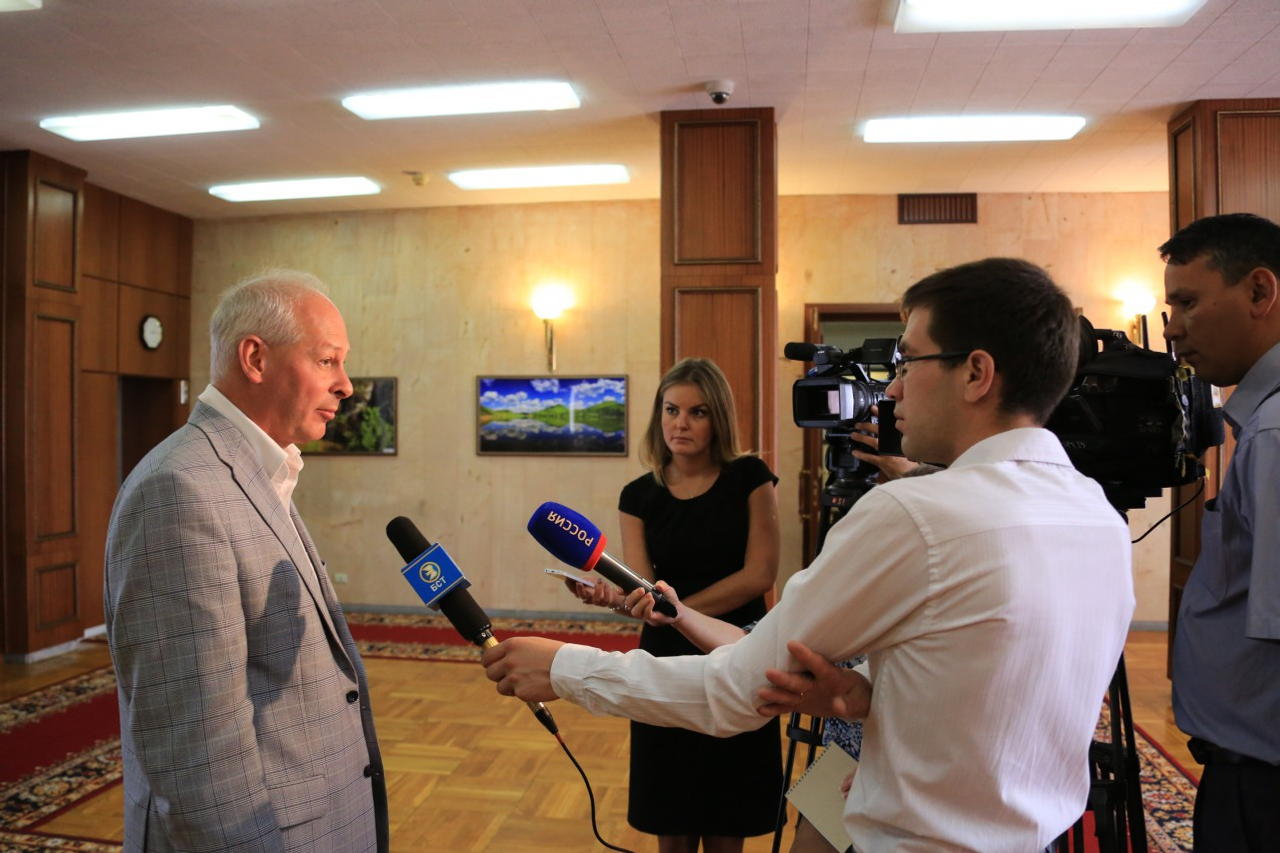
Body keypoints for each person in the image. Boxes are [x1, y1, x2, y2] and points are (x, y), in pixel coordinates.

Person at [483, 257, 1135, 853]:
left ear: (976, 373)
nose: (893, 390)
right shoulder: (1099, 518)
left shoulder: (917, 513)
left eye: (908, 361)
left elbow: (735, 690)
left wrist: (566, 667)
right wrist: (872, 695)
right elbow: (992, 683)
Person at [104, 269, 388, 853]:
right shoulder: (180, 490)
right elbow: (196, 753)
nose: (345, 385)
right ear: (255, 358)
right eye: (327, 361)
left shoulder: (259, 469)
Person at [568, 357, 782, 853]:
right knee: (673, 816)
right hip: (666, 659)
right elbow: (645, 592)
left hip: (738, 650)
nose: (680, 423)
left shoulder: (750, 477)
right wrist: (616, 599)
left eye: (696, 412)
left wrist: (677, 611)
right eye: (671, 410)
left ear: (717, 418)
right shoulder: (638, 495)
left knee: (729, 820)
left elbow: (759, 575)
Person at [1161, 212, 1280, 851]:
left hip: (1262, 782)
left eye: (1187, 302)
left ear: (1259, 291)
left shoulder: (1274, 434)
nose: (1171, 327)